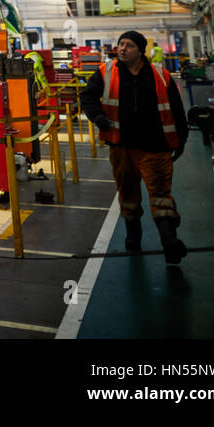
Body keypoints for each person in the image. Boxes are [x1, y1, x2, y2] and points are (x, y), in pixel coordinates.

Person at [81, 30, 188, 263]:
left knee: (161, 195)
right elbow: (87, 97)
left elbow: (177, 109)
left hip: (155, 146)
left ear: (141, 50)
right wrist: (97, 116)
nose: (122, 48)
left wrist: (182, 138)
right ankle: (133, 239)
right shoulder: (106, 72)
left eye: (128, 45)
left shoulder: (161, 75)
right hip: (122, 146)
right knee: (128, 194)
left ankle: (169, 242)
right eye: (120, 44)